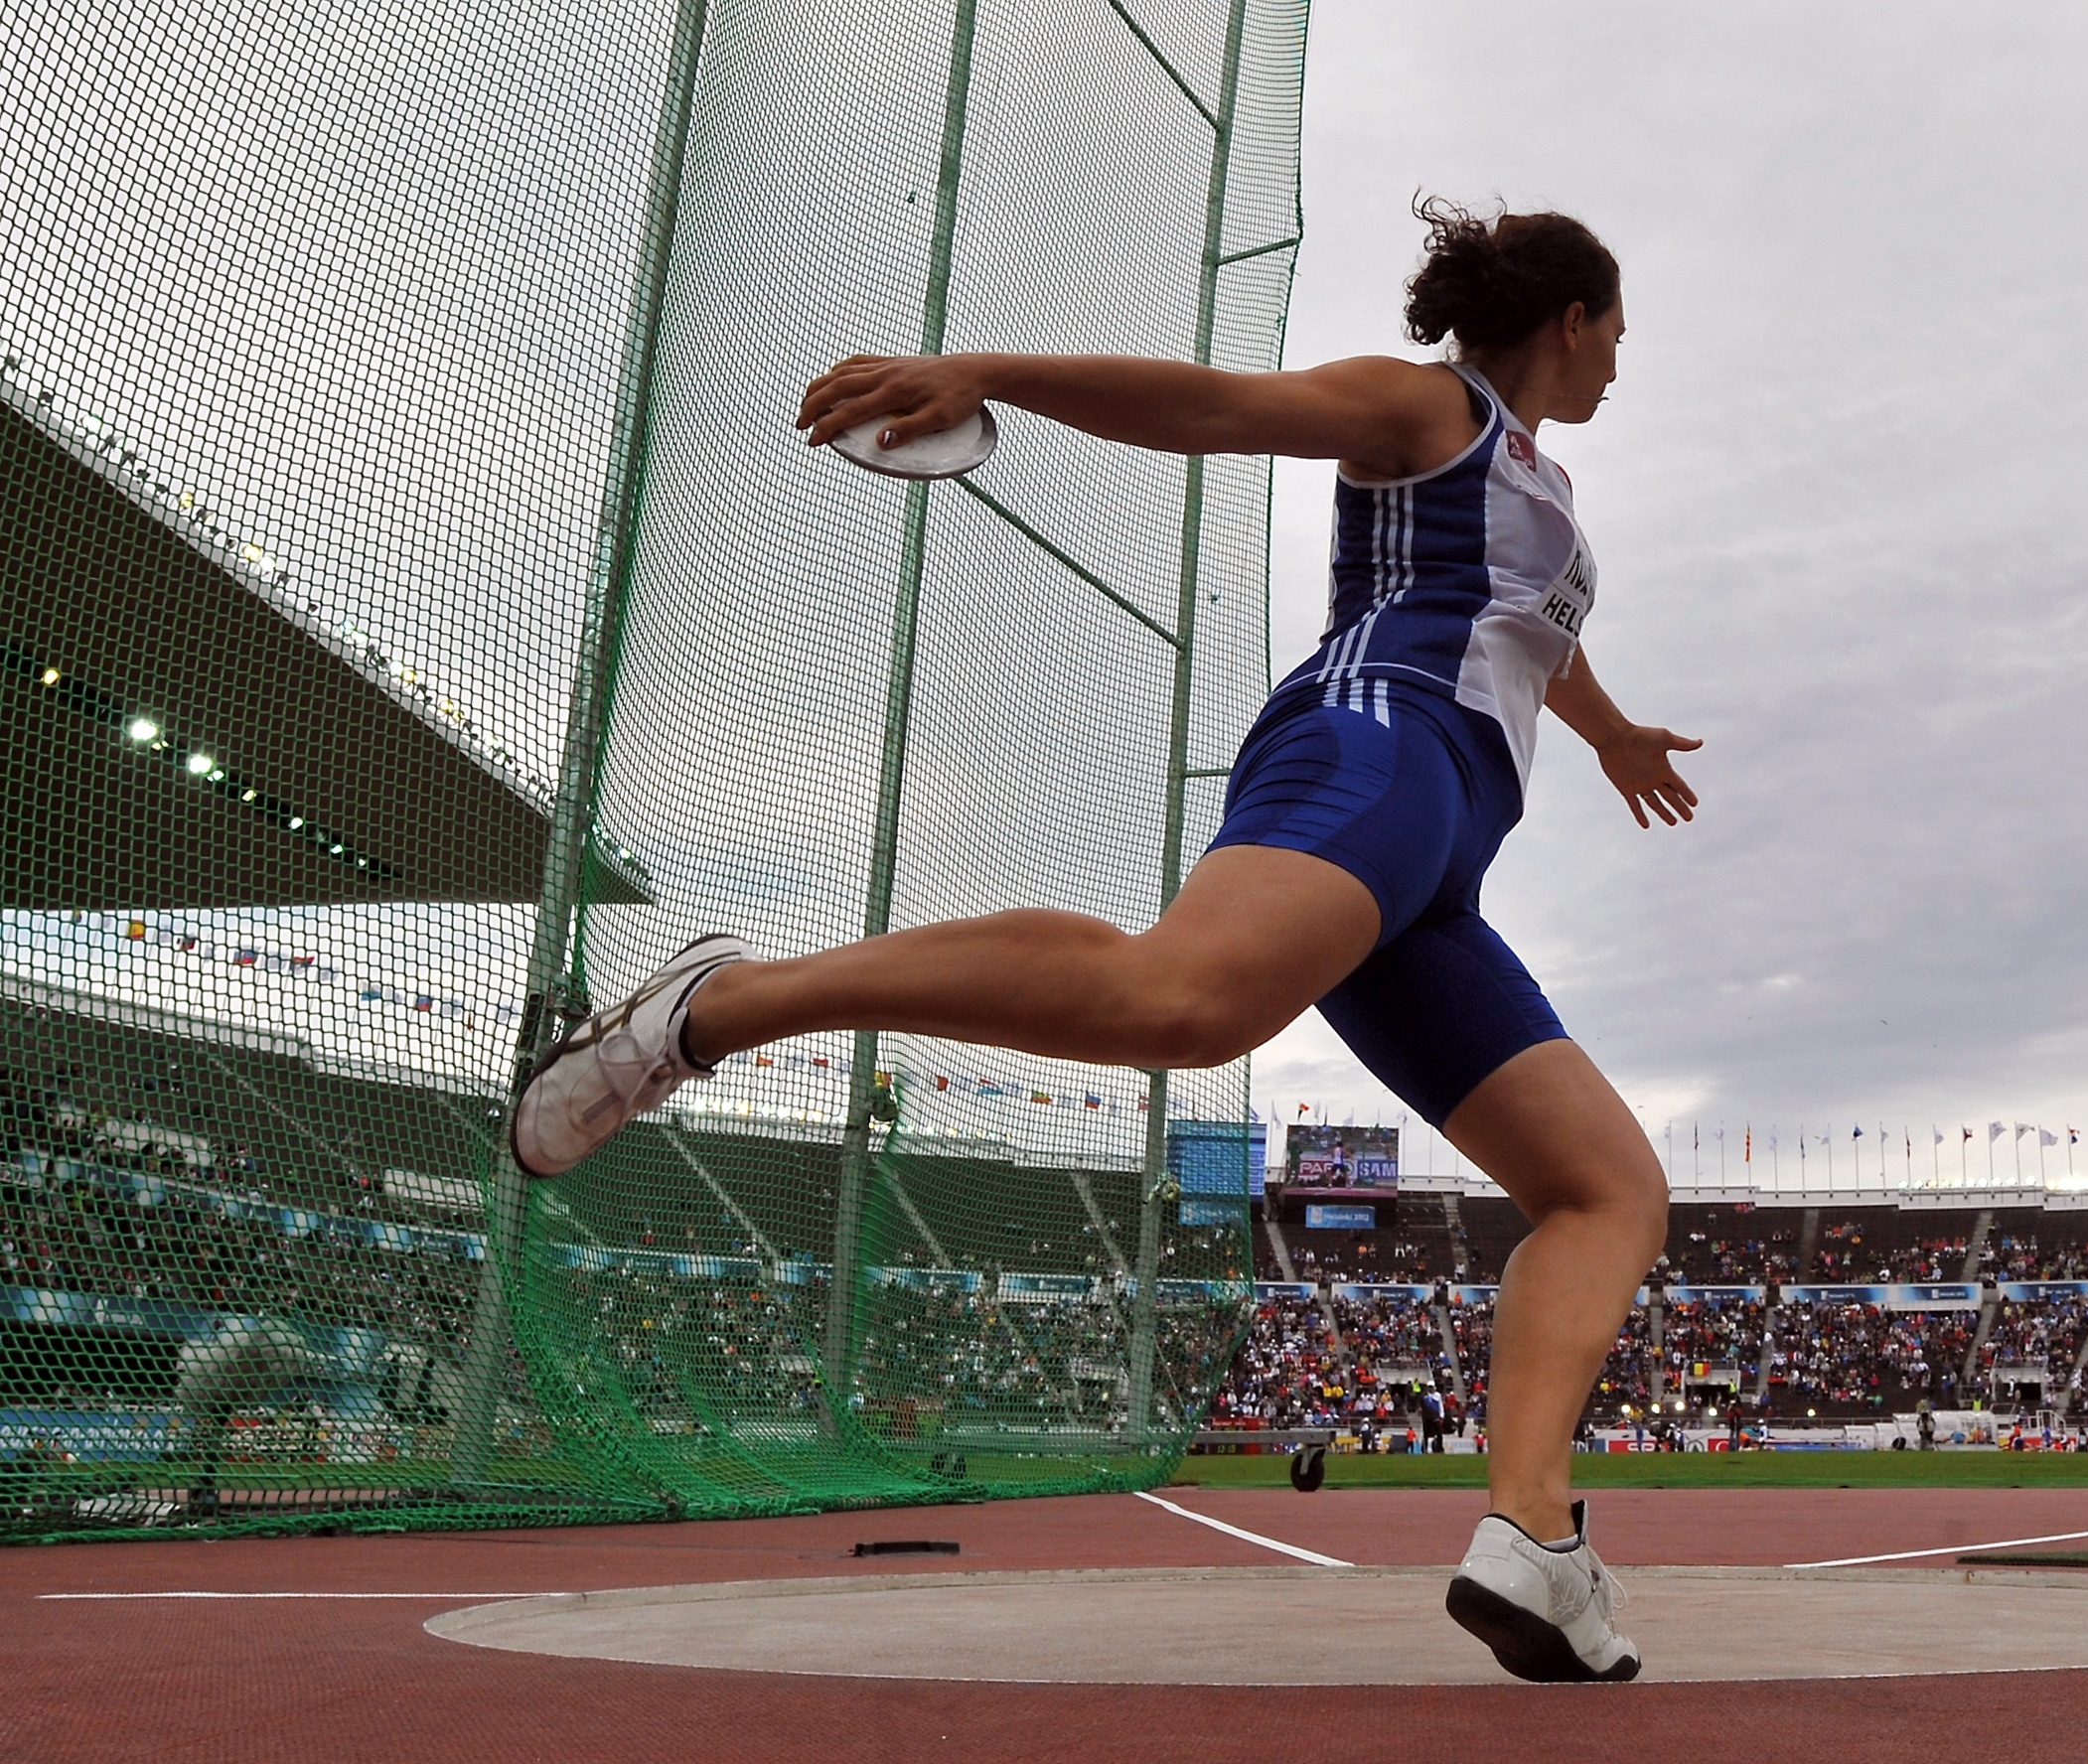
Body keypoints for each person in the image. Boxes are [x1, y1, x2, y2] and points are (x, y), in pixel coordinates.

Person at [510, 197, 1691, 1685]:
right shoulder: (1427, 408)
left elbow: (1538, 633)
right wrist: (990, 372)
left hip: (1450, 851)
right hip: (1378, 748)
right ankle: (720, 1004)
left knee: (1605, 1190)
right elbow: (1218, 409)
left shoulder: (1542, 480)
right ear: (1570, 316)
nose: (1619, 363)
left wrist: (1606, 730)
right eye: (1616, 335)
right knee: (1184, 1001)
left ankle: (1533, 1541)